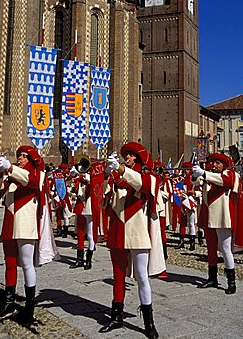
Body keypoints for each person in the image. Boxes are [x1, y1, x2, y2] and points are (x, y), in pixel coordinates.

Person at [100, 142, 165, 339]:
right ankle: (116, 316)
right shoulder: (117, 176)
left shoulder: (148, 177)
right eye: (125, 156)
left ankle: (149, 322)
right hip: (118, 230)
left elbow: (143, 185)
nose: (126, 158)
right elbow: (104, 200)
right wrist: (107, 177)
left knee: (142, 277)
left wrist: (121, 170)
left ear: (137, 158)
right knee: (118, 276)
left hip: (138, 232)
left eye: (129, 156)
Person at [0, 145, 59, 324]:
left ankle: (29, 307)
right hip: (10, 221)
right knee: (9, 263)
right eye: (19, 156)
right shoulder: (12, 173)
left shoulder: (38, 173)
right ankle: (8, 301)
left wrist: (10, 167)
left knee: (26, 264)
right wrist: (0, 172)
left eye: (24, 156)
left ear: (31, 160)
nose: (20, 158)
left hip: (25, 224)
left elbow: (31, 181)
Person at [192, 152, 243, 295]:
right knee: (211, 248)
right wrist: (196, 174)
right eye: (213, 163)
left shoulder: (230, 174)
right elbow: (196, 182)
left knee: (225, 249)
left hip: (223, 217)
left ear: (224, 164)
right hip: (209, 217)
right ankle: (212, 278)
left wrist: (204, 173)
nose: (215, 165)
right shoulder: (211, 175)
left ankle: (231, 282)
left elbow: (225, 181)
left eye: (218, 163)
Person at [69, 164, 95, 270]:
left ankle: (88, 260)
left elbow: (93, 185)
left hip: (89, 207)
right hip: (80, 206)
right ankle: (79, 259)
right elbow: (70, 185)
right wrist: (73, 175)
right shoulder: (78, 180)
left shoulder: (91, 178)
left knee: (90, 235)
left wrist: (85, 176)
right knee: (79, 234)